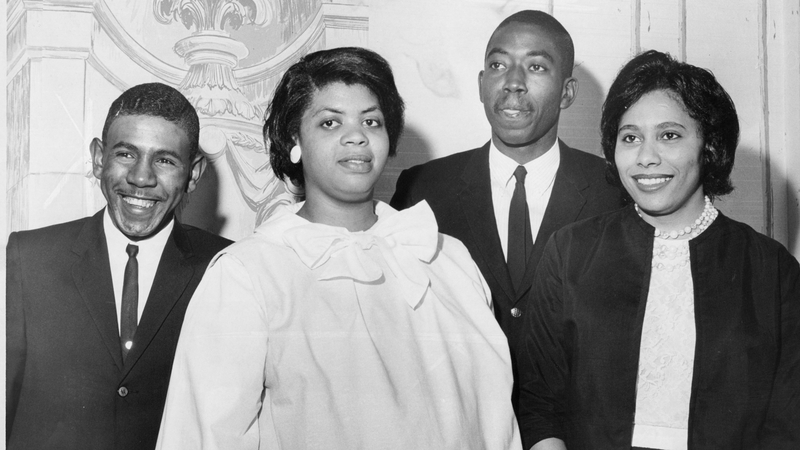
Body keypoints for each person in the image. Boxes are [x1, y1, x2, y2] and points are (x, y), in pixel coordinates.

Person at [155, 47, 521, 449]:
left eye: (371, 120)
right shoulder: (249, 274)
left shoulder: (447, 258)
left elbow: (496, 420)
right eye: (330, 122)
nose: (356, 135)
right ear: (294, 140)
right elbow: (204, 436)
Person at [518, 50, 800, 450]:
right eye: (630, 137)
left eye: (670, 135)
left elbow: (789, 420)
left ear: (709, 145)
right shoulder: (569, 252)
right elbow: (538, 400)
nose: (647, 158)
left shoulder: (772, 269)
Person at [390, 10, 623, 405]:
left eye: (535, 66)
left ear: (568, 92)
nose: (513, 83)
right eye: (498, 65)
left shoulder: (614, 191)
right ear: (482, 84)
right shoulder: (423, 188)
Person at [6, 83, 232, 450]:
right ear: (98, 158)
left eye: (165, 160)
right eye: (127, 154)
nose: (141, 178)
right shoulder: (28, 257)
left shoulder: (227, 267)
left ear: (193, 174)